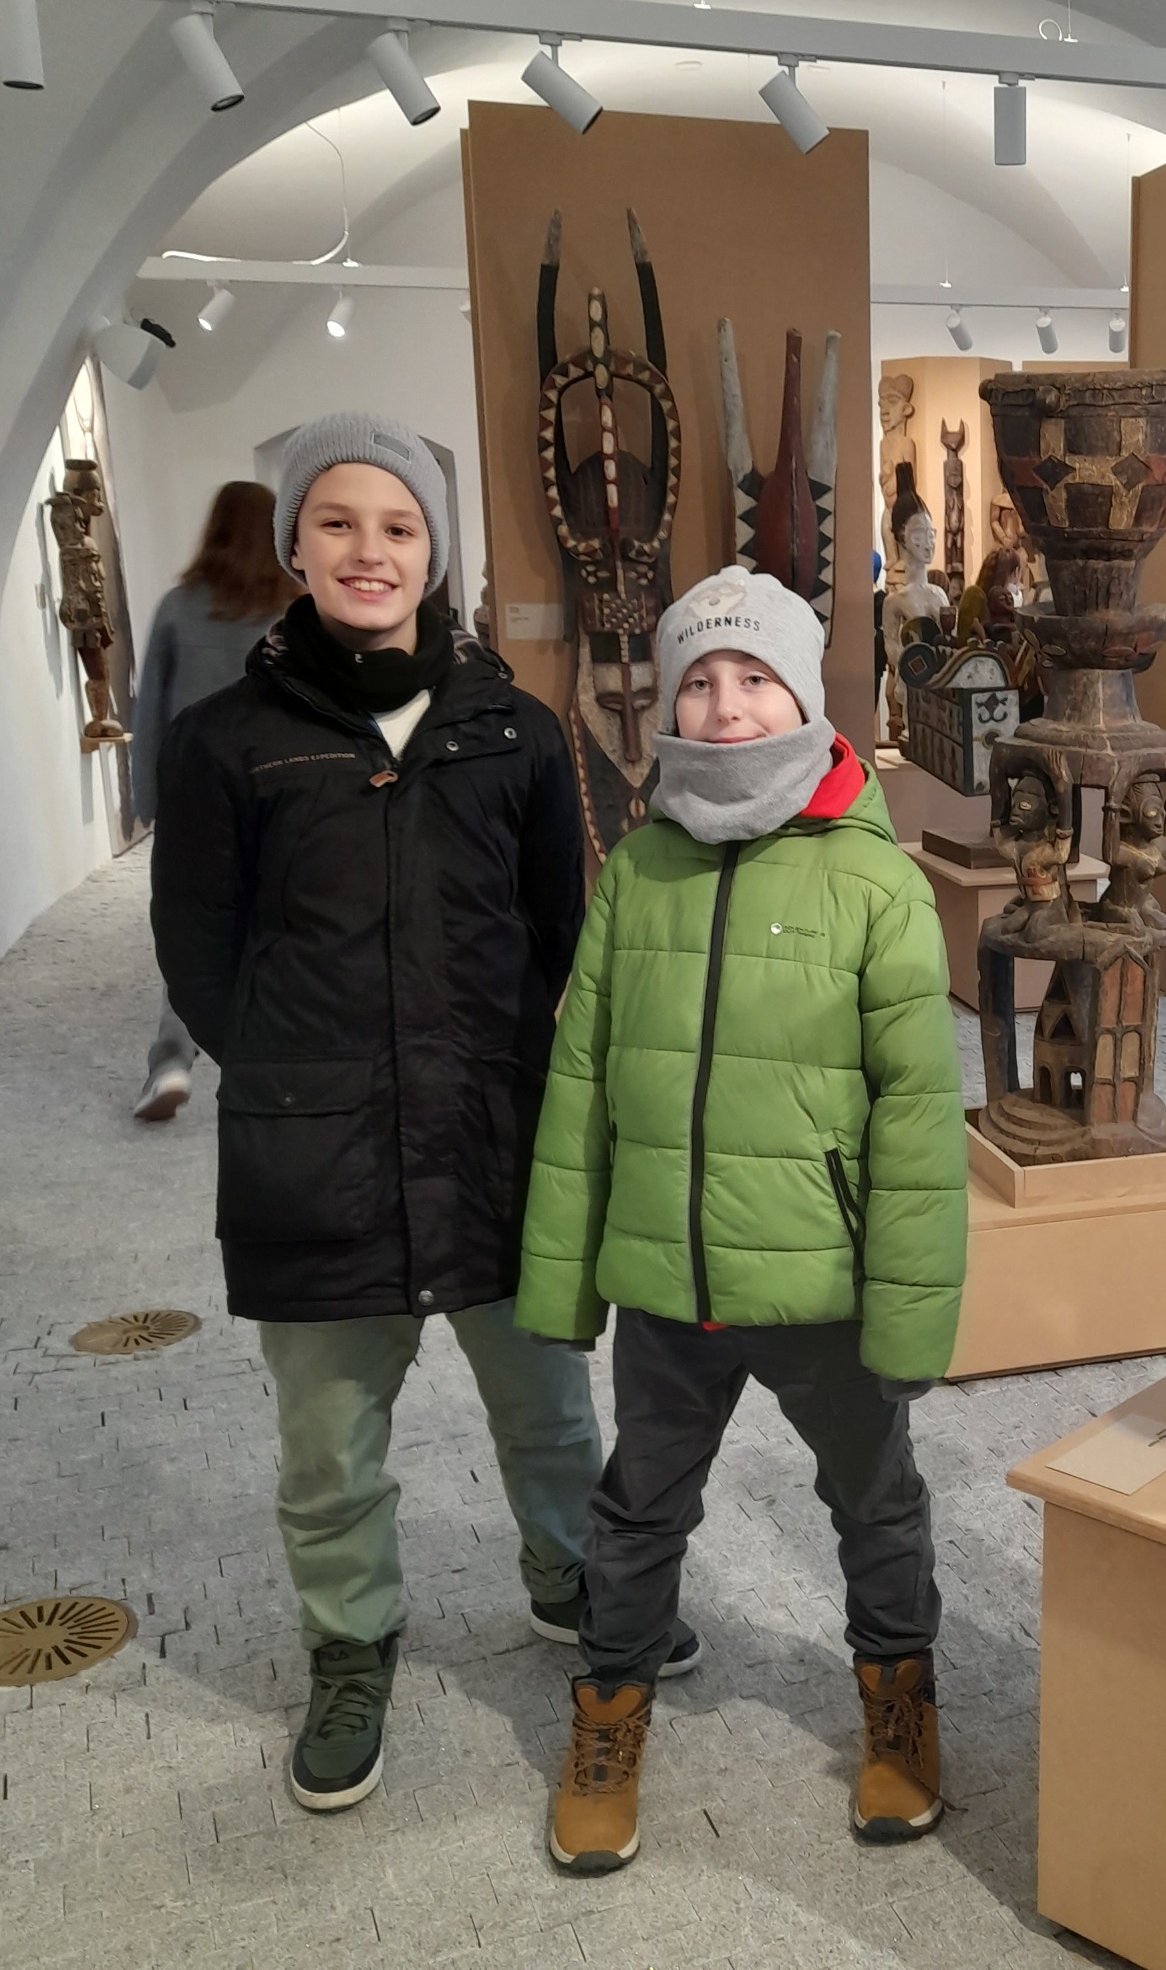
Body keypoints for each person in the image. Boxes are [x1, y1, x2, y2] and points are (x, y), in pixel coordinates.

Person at [150, 414, 603, 1815]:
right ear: (294, 544)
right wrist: (291, 1068)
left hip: (491, 1134)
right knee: (329, 1447)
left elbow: (558, 927)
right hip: (319, 1149)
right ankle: (350, 1646)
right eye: (338, 521)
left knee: (547, 1405)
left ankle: (569, 1572)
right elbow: (199, 953)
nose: (369, 549)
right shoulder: (225, 743)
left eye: (399, 525)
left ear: (433, 552)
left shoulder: (517, 732)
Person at [516, 565, 967, 1875]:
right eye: (699, 681)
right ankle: (608, 1717)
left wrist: (909, 1318)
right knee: (635, 1509)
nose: (723, 706)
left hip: (821, 1281)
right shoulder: (636, 874)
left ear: (803, 694)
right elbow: (581, 1087)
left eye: (753, 676)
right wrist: (563, 1284)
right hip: (669, 1279)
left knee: (874, 1501)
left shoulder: (875, 884)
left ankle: (899, 1700)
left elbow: (918, 1126)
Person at [129, 480, 299, 1120]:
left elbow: (150, 711)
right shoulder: (296, 611)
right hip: (282, 793)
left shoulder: (178, 608)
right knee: (282, 926)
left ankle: (172, 1062)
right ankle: (277, 1064)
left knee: (191, 934)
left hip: (194, 797)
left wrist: (148, 798)